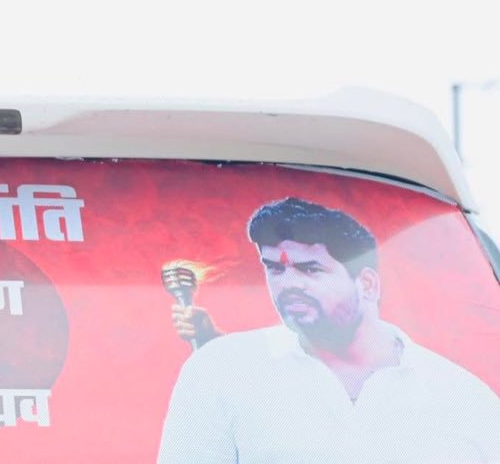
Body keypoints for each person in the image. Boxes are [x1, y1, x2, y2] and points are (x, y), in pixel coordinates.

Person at [158, 198, 500, 463]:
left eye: (310, 270)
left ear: (367, 284)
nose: (289, 284)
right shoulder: (222, 370)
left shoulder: (462, 398)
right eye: (275, 269)